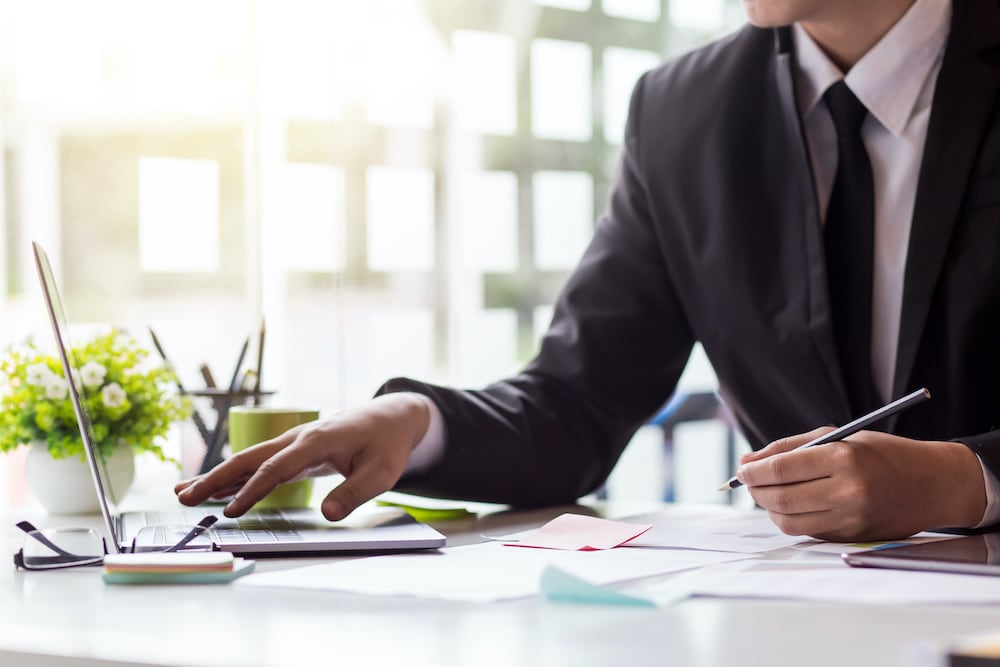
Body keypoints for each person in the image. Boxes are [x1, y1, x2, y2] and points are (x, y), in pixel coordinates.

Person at [176, 0, 1000, 542]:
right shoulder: (684, 113)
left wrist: (968, 483)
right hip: (791, 630)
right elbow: (578, 400)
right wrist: (415, 422)